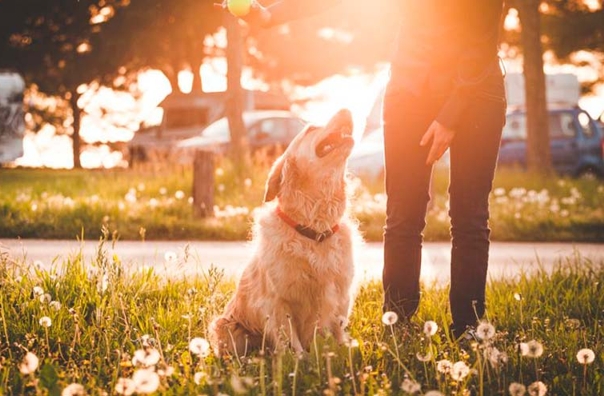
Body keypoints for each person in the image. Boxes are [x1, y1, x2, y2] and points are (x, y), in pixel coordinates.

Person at [235, 0, 507, 338]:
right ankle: (398, 324)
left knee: (470, 216)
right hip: (412, 92)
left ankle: (468, 328)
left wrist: (449, 117)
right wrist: (271, 13)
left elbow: (482, 43)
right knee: (402, 216)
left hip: (476, 92)